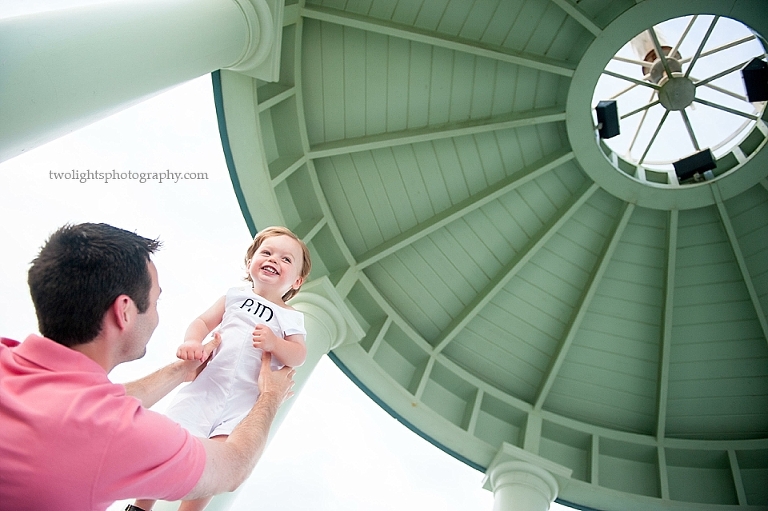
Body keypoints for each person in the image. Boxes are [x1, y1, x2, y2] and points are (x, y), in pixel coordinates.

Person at [0, 223, 296, 511]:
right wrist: (271, 396)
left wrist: (181, 370)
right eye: (155, 301)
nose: (156, 315)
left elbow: (79, 405)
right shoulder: (121, 435)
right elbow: (230, 468)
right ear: (124, 311)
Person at [132, 225, 312, 511]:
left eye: (286, 259)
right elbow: (202, 322)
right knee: (170, 442)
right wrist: (192, 341)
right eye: (266, 252)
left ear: (297, 282)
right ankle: (141, 505)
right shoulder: (234, 297)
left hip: (243, 402)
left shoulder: (290, 317)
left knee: (215, 460)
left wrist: (275, 343)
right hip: (207, 386)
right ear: (250, 261)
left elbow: (299, 355)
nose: (274, 260)